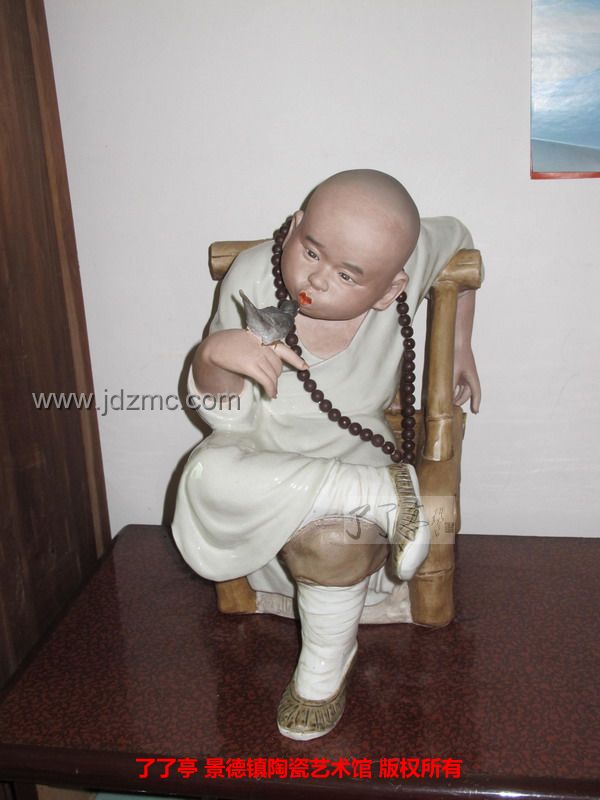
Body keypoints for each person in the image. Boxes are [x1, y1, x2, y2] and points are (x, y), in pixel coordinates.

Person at [172, 169, 480, 740]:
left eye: (346, 275)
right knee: (206, 471)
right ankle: (382, 495)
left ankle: (323, 666)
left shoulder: (398, 272)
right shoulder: (252, 275)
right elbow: (225, 418)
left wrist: (461, 343)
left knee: (337, 539)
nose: (316, 278)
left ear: (389, 290)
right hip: (260, 442)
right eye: (310, 251)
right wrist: (214, 356)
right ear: (293, 227)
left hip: (353, 445)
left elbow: (459, 239)